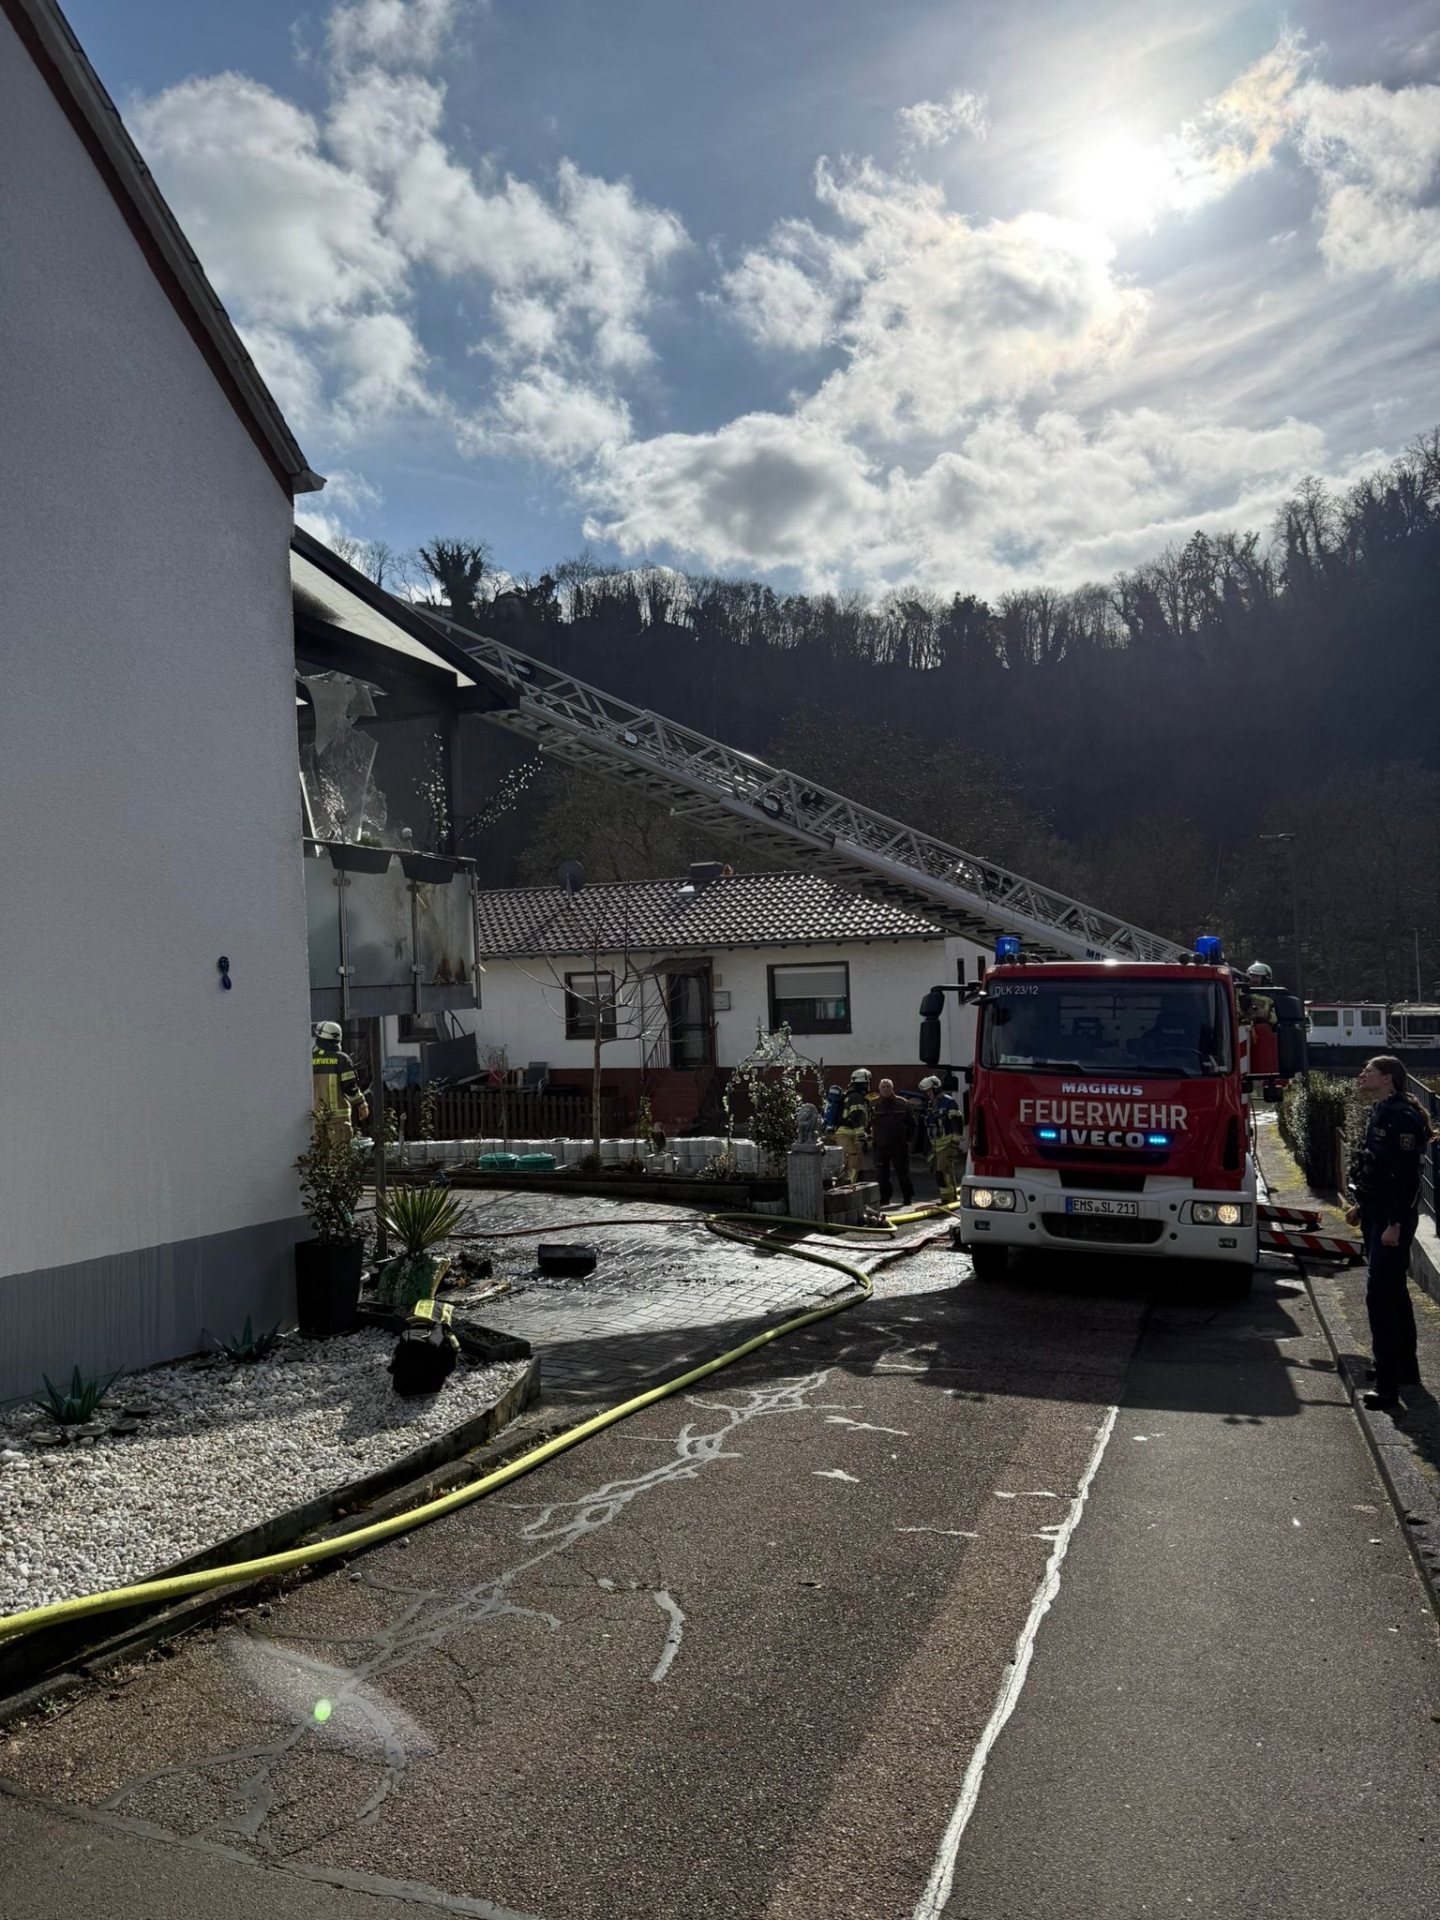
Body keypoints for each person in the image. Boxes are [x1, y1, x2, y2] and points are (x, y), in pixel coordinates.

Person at [1345, 1053, 1435, 1409]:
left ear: (1387, 1078)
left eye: (1369, 1071)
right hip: (1377, 1215)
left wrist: (1394, 1224)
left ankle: (1387, 1388)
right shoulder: (1381, 1111)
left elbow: (1405, 1178)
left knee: (1379, 1297)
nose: (1362, 1074)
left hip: (1391, 1221)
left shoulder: (1401, 1117)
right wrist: (1361, 1206)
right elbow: (1376, 1169)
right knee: (1393, 1291)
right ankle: (1403, 1368)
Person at [311, 1021, 369, 1145]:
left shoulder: (309, 1059)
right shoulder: (342, 1059)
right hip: (338, 1121)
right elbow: (349, 1087)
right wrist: (362, 1104)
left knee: (319, 1159)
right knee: (338, 1159)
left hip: (315, 1120)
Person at [919, 1073, 965, 1202]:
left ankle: (946, 1200)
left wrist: (955, 1142)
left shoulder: (948, 1102)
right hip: (936, 1146)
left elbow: (957, 1121)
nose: (927, 1093)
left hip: (947, 1145)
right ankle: (952, 1197)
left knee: (941, 1174)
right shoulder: (930, 1105)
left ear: (936, 1088)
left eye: (929, 1090)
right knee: (946, 1172)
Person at [870, 1078, 915, 1209]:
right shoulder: (873, 1104)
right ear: (879, 1089)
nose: (885, 1089)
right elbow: (867, 1123)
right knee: (882, 1176)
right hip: (880, 1146)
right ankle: (885, 1199)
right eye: (883, 1087)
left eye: (888, 1087)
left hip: (899, 1146)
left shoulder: (902, 1103)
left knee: (903, 1173)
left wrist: (908, 1140)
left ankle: (907, 1198)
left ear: (892, 1088)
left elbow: (912, 1124)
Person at [833, 1069, 872, 1184]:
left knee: (855, 1166)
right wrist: (860, 1135)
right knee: (852, 1166)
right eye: (868, 1082)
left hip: (846, 1136)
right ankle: (848, 1191)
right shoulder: (856, 1097)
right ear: (864, 1083)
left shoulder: (849, 1095)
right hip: (849, 1137)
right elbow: (856, 1115)